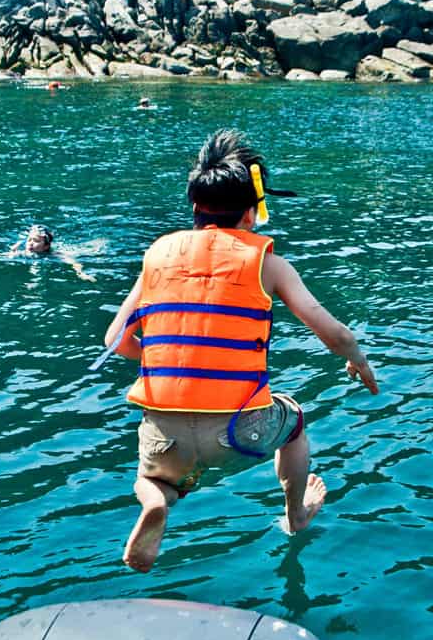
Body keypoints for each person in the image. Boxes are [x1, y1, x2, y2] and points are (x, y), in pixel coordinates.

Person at [94, 129, 378, 573]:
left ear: (194, 207)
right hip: (238, 429)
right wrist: (358, 361)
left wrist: (165, 355)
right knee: (295, 423)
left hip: (164, 431)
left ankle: (155, 500)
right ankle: (296, 515)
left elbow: (117, 339)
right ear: (250, 213)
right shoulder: (268, 263)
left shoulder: (157, 253)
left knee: (158, 479)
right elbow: (334, 333)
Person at [0, 223, 96, 281]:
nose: (31, 244)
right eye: (29, 240)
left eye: (36, 241)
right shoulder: (23, 253)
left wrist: (81, 274)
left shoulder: (55, 255)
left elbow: (74, 262)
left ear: (46, 246)